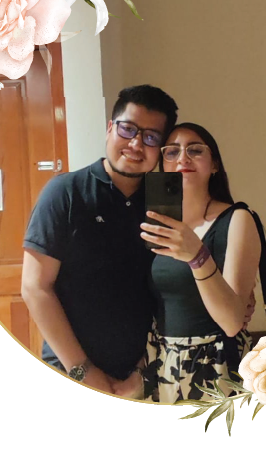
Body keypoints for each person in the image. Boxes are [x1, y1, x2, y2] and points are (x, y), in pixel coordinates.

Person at [21, 85, 179, 395]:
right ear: (110, 129)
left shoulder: (164, 203)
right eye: (128, 129)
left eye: (151, 137)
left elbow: (171, 290)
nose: (136, 144)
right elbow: (35, 288)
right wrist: (83, 371)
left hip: (148, 375)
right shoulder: (65, 192)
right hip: (70, 372)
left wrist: (142, 371)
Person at [139, 122, 262, 403]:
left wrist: (197, 256)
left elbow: (232, 322)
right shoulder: (155, 224)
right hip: (162, 364)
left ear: (214, 164)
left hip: (216, 366)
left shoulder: (237, 219)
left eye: (195, 150)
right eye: (171, 152)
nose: (182, 158)